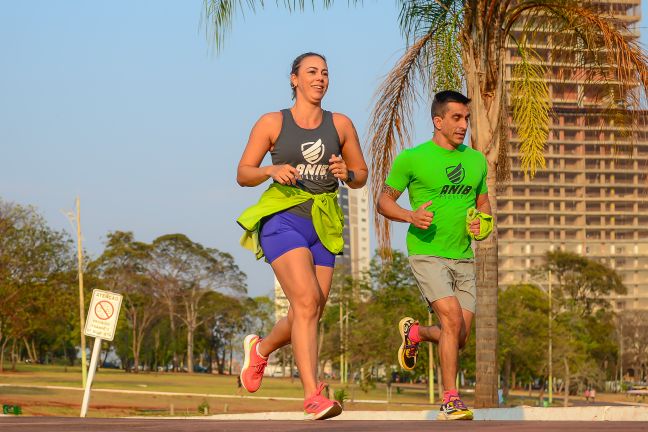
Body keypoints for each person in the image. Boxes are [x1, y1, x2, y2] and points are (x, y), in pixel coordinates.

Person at [236, 52, 368, 420]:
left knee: (308, 311)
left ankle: (260, 350)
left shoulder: (340, 124)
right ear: (294, 79)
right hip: (283, 219)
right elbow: (243, 172)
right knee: (307, 302)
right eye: (311, 72)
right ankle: (313, 395)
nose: (320, 78)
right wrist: (271, 169)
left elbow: (362, 174)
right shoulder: (272, 122)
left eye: (325, 73)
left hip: (323, 223)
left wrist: (347, 172)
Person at [377, 90, 493, 421]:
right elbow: (383, 202)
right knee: (452, 320)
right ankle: (450, 399)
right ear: (438, 121)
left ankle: (415, 333)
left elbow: (482, 201)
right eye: (456, 118)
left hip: (463, 256)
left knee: (458, 339)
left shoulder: (476, 161)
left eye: (466, 119)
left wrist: (482, 222)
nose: (463, 125)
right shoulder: (412, 159)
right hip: (427, 252)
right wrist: (410, 216)